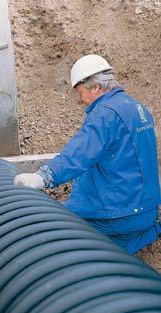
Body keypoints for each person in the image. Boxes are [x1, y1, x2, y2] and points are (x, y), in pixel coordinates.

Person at [14, 54, 161, 255]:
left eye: (81, 92)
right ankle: (146, 234)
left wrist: (43, 177)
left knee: (57, 230)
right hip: (146, 209)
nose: (80, 100)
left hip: (117, 215)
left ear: (96, 88)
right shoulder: (136, 107)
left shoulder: (105, 114)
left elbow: (78, 155)